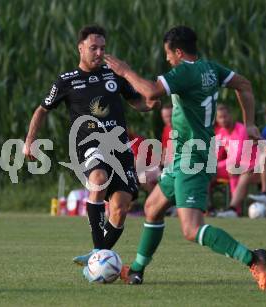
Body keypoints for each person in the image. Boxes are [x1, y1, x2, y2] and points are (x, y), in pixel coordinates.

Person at [104, 25, 266, 290]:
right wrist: (249, 123)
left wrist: (124, 71)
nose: (167, 60)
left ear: (178, 52)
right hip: (183, 157)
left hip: (193, 158)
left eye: (169, 55)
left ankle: (253, 258)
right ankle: (136, 270)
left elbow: (150, 91)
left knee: (191, 230)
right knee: (152, 208)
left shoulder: (184, 71)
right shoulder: (210, 68)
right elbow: (244, 84)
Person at [22, 25, 159, 279]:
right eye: (93, 48)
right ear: (81, 48)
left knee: (121, 207)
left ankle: (97, 258)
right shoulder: (67, 80)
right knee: (97, 180)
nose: (99, 52)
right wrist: (29, 140)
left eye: (103, 48)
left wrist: (150, 103)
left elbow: (136, 102)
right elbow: (42, 109)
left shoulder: (113, 75)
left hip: (120, 149)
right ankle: (99, 252)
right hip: (89, 145)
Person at [212, 104, 255, 217]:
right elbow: (216, 154)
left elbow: (238, 155)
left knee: (232, 169)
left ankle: (235, 210)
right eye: (220, 117)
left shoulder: (241, 129)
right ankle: (206, 208)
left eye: (225, 116)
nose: (223, 120)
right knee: (206, 172)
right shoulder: (220, 133)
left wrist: (217, 165)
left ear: (231, 116)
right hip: (231, 166)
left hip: (249, 165)